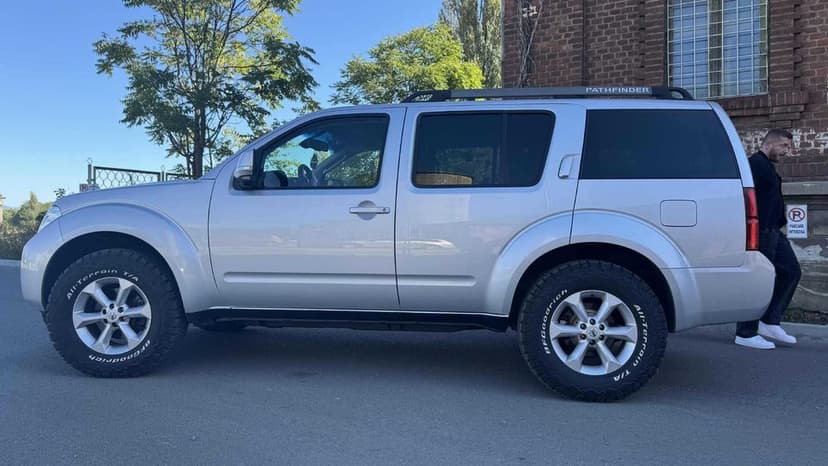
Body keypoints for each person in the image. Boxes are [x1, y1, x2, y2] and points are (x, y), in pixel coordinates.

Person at [735, 129, 802, 350]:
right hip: (761, 232)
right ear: (769, 143)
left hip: (773, 231)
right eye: (784, 146)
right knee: (759, 280)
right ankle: (745, 332)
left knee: (791, 271)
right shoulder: (755, 165)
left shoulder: (767, 166)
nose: (787, 151)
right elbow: (743, 199)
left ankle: (770, 322)